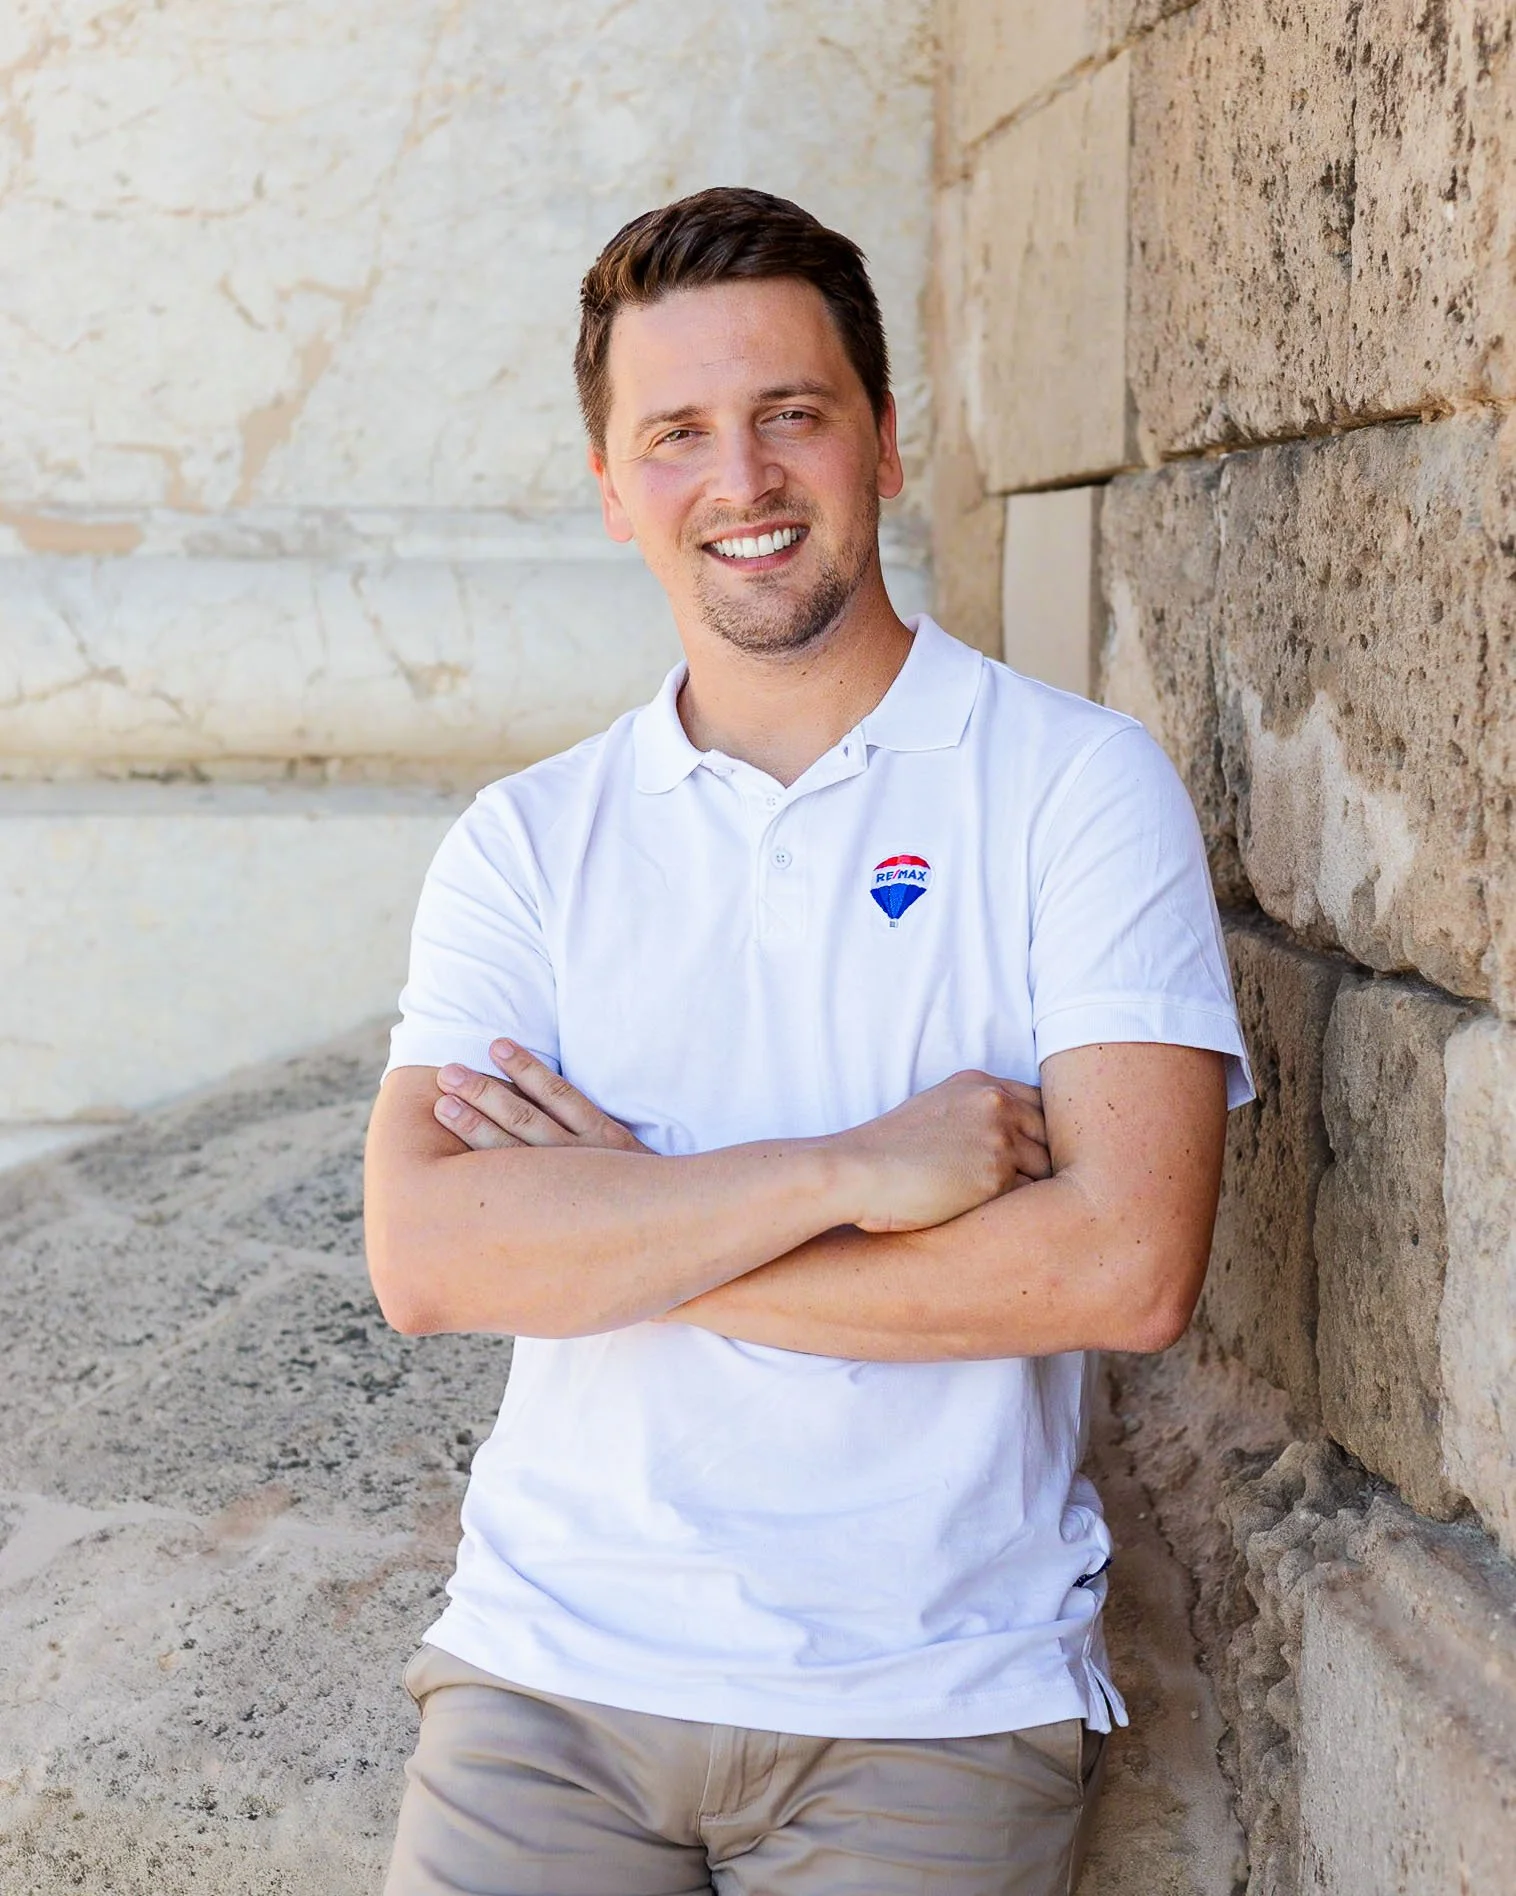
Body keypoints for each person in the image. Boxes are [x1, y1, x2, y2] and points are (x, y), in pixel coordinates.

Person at [364, 185, 1253, 1896]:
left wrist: (623, 1225)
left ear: (885, 443)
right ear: (613, 490)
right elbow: (429, 1256)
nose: (744, 478)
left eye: (792, 414)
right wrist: (850, 1172)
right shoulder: (527, 841)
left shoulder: (1074, 788)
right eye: (678, 434)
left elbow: (1127, 1267)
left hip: (929, 1703)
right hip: (547, 1679)